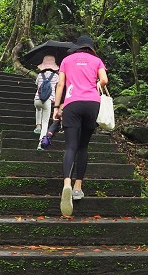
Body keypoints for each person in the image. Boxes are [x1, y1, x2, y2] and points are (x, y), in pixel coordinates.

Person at [52, 34, 108, 217]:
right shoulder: (97, 60)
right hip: (92, 104)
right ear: (91, 48)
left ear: (77, 47)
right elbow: (104, 81)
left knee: (70, 147)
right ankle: (77, 188)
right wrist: (96, 85)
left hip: (72, 104)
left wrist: (56, 107)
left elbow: (60, 84)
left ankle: (66, 183)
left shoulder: (67, 60)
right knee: (83, 147)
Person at [33, 55, 59, 146]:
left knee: (38, 108)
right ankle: (41, 142)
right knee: (46, 122)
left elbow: (37, 85)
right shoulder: (56, 76)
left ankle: (38, 126)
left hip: (37, 99)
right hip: (48, 101)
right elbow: (58, 87)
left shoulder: (40, 75)